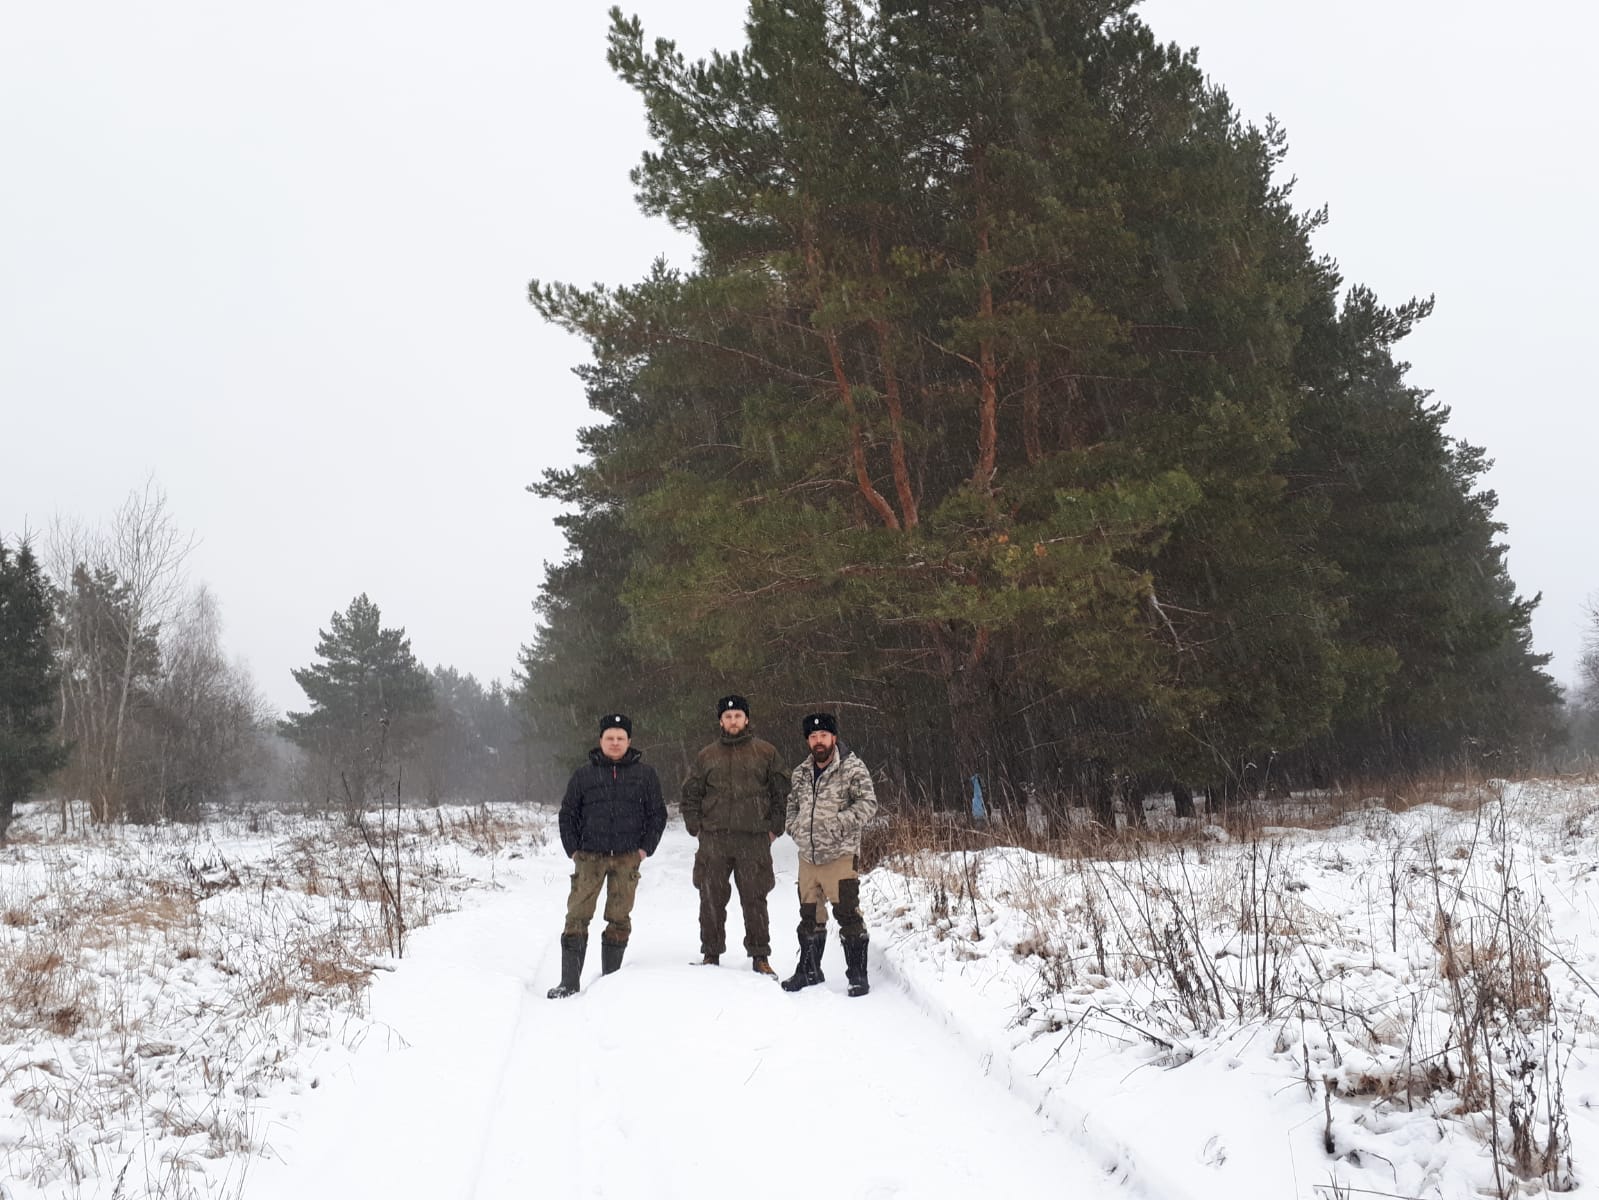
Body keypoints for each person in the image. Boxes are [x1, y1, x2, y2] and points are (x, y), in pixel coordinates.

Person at [547, 713, 667, 999]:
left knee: (619, 918)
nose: (615, 743)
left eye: (620, 738)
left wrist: (644, 848)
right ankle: (569, 983)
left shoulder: (645, 775)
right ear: (601, 740)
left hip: (627, 858)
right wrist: (573, 848)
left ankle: (610, 983)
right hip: (589, 857)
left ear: (629, 741)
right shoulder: (584, 775)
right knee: (577, 916)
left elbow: (657, 814)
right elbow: (568, 814)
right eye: (610, 738)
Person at [680, 694, 788, 976]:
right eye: (727, 717)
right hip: (714, 839)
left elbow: (781, 793)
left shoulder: (766, 752)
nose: (733, 721)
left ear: (747, 719)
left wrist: (775, 828)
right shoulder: (707, 755)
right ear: (721, 721)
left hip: (753, 839)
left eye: (738, 716)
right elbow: (690, 793)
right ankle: (711, 953)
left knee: (755, 899)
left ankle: (760, 955)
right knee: (711, 898)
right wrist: (696, 826)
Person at [781, 712, 878, 997]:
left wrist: (838, 824)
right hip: (808, 858)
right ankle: (809, 971)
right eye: (812, 737)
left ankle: (858, 975)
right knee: (809, 916)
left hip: (840, 855)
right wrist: (794, 828)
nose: (818, 741)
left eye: (823, 735)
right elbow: (791, 806)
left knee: (848, 915)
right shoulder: (800, 773)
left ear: (833, 737)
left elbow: (868, 804)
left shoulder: (851, 768)